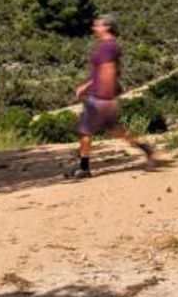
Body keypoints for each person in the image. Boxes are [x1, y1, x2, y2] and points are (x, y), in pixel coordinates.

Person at [65, 14, 155, 179]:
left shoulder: (107, 47)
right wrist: (86, 86)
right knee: (116, 131)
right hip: (102, 97)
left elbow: (109, 72)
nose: (94, 28)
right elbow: (100, 72)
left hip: (100, 98)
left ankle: (84, 168)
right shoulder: (108, 45)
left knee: (85, 131)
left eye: (97, 25)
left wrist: (106, 98)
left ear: (107, 27)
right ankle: (145, 148)